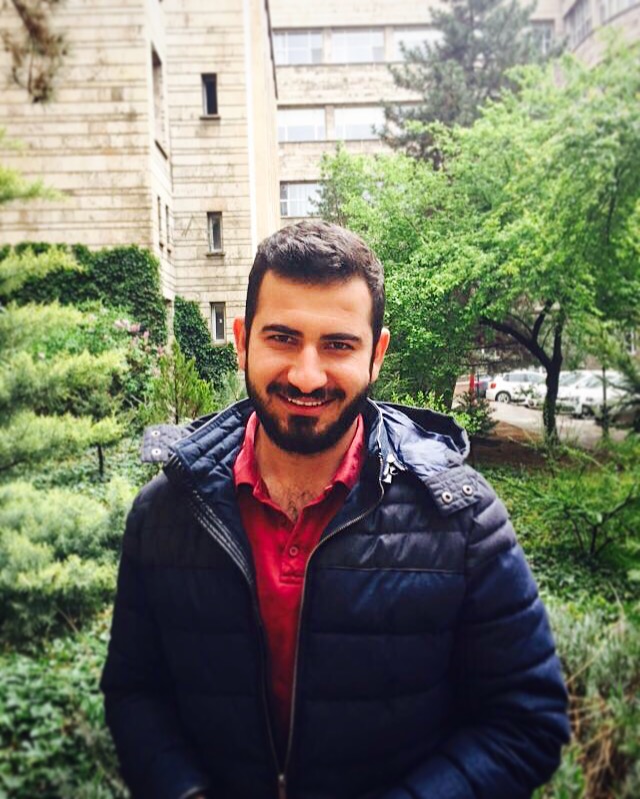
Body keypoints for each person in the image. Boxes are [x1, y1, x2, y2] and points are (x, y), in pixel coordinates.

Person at [101, 220, 570, 799]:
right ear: (242, 341)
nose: (307, 375)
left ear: (377, 355)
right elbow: (136, 693)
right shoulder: (166, 513)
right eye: (282, 338)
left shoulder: (463, 521)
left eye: (338, 345)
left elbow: (526, 720)